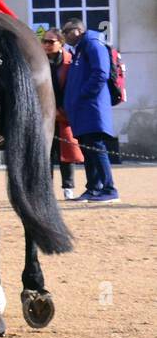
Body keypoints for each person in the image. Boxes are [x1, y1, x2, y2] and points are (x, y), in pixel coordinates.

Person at [61, 18, 118, 203]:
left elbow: (101, 72)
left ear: (77, 30)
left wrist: (83, 95)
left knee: (97, 148)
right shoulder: (80, 48)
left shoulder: (93, 44)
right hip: (83, 108)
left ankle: (109, 189)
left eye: (66, 31)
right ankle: (93, 189)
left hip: (92, 107)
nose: (64, 35)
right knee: (89, 149)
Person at [41, 28, 83, 200]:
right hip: (44, 114)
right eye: (44, 41)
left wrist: (62, 110)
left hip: (64, 114)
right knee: (44, 154)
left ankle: (68, 187)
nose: (46, 45)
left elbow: (73, 88)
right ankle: (45, 189)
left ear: (61, 43)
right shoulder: (38, 61)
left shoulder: (70, 62)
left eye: (51, 41)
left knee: (67, 152)